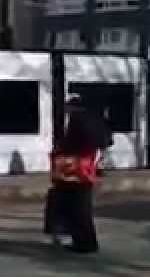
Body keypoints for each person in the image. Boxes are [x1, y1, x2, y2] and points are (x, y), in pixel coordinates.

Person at [45, 94, 107, 253]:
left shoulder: (78, 120)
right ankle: (86, 241)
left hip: (75, 170)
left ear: (73, 107)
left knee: (75, 207)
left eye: (68, 107)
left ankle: (82, 243)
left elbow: (72, 143)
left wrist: (59, 151)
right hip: (85, 170)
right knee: (81, 206)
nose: (66, 110)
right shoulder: (94, 119)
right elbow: (103, 142)